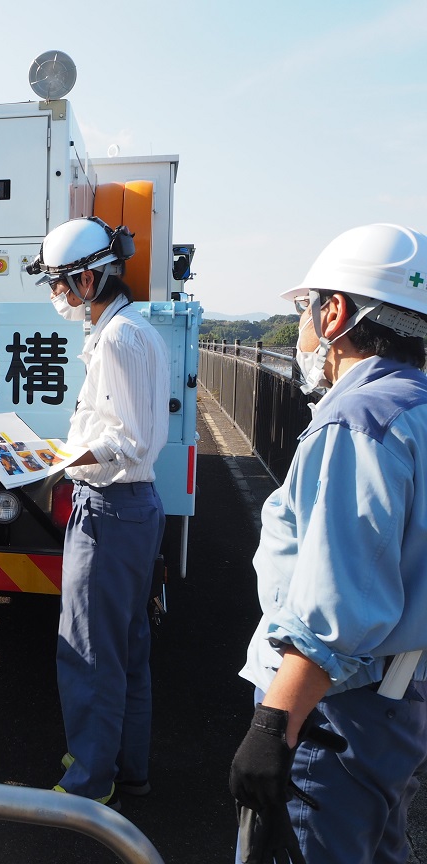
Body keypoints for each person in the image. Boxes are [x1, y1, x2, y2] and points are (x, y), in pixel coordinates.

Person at [229, 223, 427, 864]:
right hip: (397, 702)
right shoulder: (416, 408)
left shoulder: (359, 423)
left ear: (335, 312)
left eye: (306, 309)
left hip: (334, 715)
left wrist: (272, 727)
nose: (306, 328)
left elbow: (335, 610)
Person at [31, 216, 169, 808]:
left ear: (89, 279)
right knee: (127, 650)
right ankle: (125, 766)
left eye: (61, 283)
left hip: (109, 508)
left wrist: (51, 460)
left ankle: (89, 782)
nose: (57, 295)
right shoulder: (128, 330)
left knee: (88, 652)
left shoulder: (118, 339)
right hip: (132, 509)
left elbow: (126, 439)